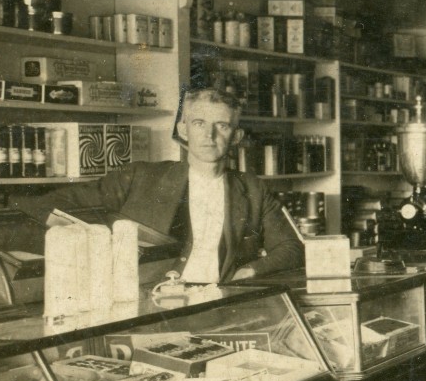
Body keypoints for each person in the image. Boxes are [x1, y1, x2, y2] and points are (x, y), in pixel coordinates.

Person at [39, 87, 304, 285]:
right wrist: (110, 239)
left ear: (236, 136)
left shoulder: (253, 189)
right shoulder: (140, 177)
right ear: (184, 130)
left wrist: (249, 271)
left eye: (221, 126)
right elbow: (55, 206)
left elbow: (291, 248)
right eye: (199, 124)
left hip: (218, 302)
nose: (209, 136)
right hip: (146, 306)